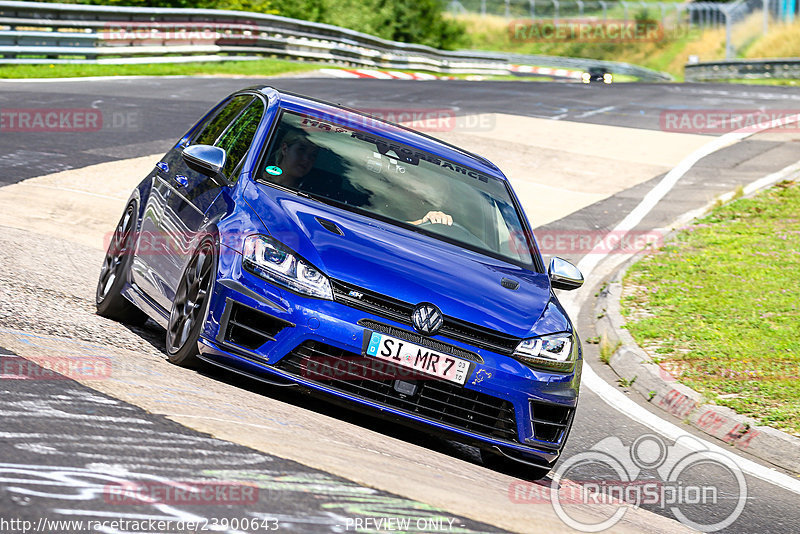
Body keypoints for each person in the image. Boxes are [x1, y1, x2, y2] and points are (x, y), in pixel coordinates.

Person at [266, 129, 453, 226]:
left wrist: (426, 221)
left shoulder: (321, 190)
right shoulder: (253, 179)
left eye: (313, 155)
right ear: (284, 149)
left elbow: (373, 221)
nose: (306, 159)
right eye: (301, 150)